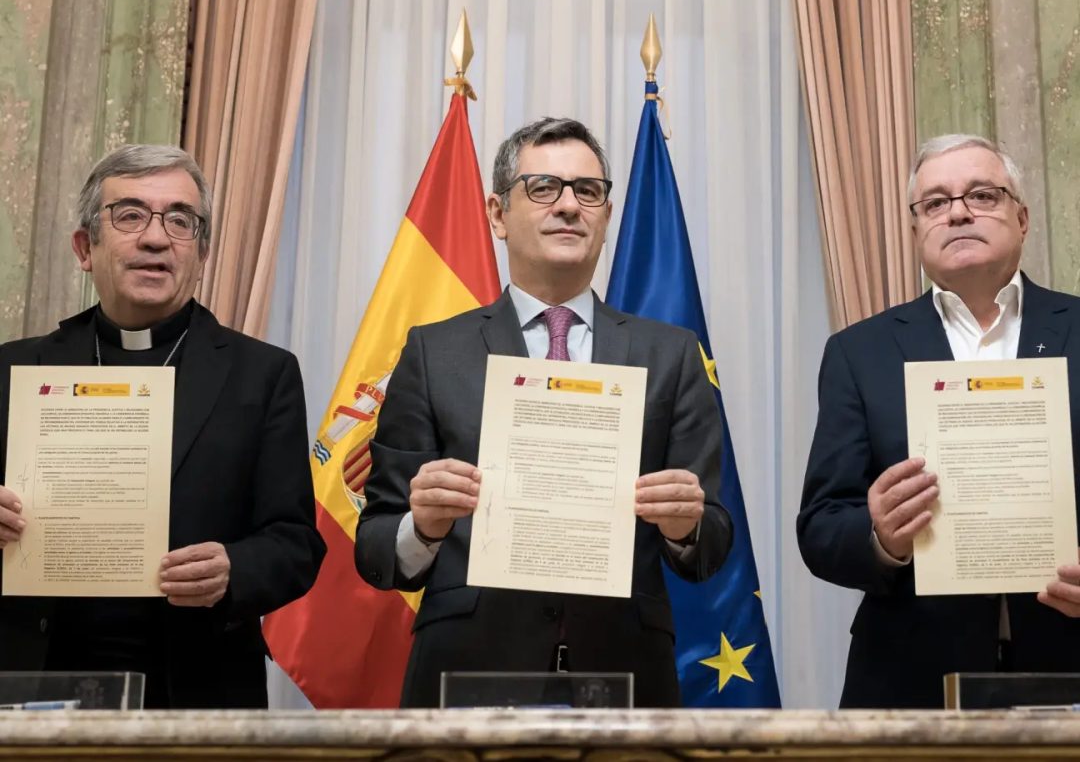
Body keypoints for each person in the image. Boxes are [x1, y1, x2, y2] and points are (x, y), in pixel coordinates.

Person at [355, 117, 733, 707]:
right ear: (498, 215)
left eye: (588, 191)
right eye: (542, 188)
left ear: (606, 217)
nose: (568, 206)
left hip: (625, 672)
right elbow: (376, 549)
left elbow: (711, 544)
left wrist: (685, 527)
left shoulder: (672, 353)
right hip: (468, 669)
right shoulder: (433, 353)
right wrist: (423, 525)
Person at [0, 145, 325, 708]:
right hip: (33, 683)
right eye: (129, 216)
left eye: (180, 220)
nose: (156, 238)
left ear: (201, 254)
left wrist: (234, 569)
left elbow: (294, 544)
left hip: (198, 688)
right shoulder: (14, 369)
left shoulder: (262, 375)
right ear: (85, 247)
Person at [798, 134, 1080, 708]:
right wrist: (879, 537)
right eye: (934, 203)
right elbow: (822, 526)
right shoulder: (859, 351)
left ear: (1022, 218)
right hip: (910, 677)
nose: (957, 212)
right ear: (916, 230)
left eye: (981, 194)